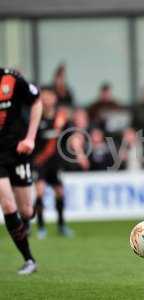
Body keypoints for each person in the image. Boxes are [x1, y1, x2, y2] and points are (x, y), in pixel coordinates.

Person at [0, 68, 42, 274]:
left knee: (25, 210)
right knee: (8, 205)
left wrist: (30, 138)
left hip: (18, 151)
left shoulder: (11, 78)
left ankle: (27, 219)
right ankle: (29, 260)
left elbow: (37, 101)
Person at [32, 86, 73, 239]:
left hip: (55, 162)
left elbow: (71, 136)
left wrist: (78, 152)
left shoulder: (61, 118)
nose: (47, 99)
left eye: (49, 96)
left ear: (54, 98)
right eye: (44, 96)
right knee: (40, 191)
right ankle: (41, 227)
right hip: (39, 161)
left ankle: (62, 225)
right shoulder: (35, 117)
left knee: (60, 192)